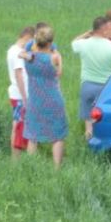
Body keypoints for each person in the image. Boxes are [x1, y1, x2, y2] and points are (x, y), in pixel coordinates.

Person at [20, 26, 68, 169]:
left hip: (34, 101)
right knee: (58, 135)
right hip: (53, 100)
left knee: (32, 135)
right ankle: (56, 168)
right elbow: (59, 73)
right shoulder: (54, 57)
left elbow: (26, 49)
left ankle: (30, 167)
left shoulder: (28, 56)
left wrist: (34, 44)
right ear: (50, 42)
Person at [72, 16, 111, 139]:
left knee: (89, 123)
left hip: (87, 86)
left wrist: (87, 34)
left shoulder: (83, 44)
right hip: (106, 88)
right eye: (110, 28)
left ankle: (88, 144)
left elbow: (74, 42)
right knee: (103, 121)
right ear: (104, 30)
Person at [6, 25, 35, 159]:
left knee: (18, 124)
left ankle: (16, 158)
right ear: (27, 37)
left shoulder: (13, 49)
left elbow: (31, 58)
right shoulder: (17, 53)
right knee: (18, 126)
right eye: (32, 41)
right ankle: (16, 159)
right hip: (20, 95)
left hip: (16, 94)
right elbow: (19, 75)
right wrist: (25, 97)